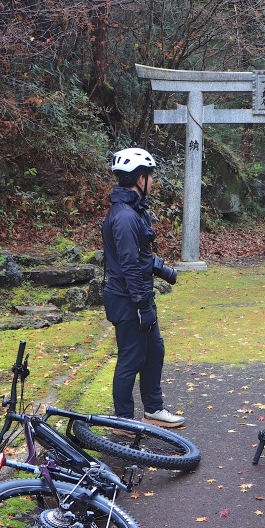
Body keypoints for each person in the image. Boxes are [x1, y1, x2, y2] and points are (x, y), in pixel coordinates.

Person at [101, 147, 185, 427]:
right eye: (150, 176)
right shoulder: (124, 215)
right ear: (139, 178)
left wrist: (159, 267)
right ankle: (123, 421)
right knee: (131, 358)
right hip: (127, 299)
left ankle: (153, 409)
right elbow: (128, 264)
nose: (152, 182)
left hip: (137, 296)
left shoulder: (133, 211)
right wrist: (142, 305)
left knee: (154, 352)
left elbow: (140, 256)